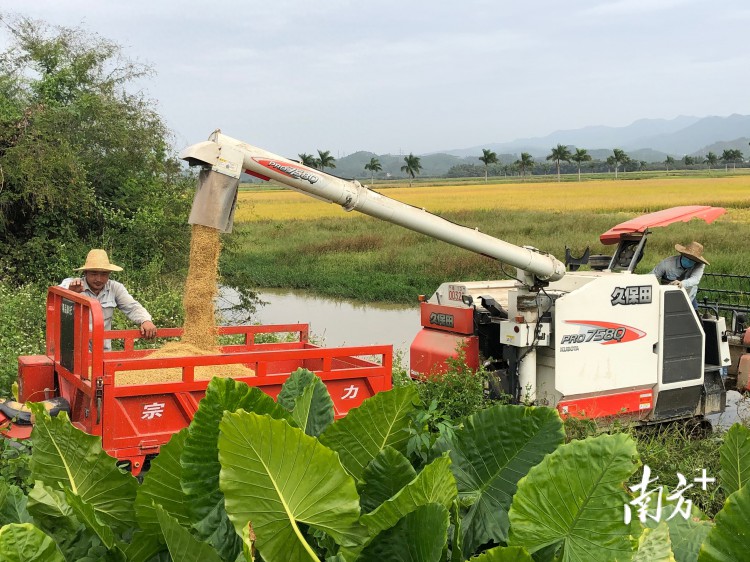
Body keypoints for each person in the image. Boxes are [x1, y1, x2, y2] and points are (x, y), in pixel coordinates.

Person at [60, 249, 157, 349]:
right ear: (85, 273)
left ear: (109, 274)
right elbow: (57, 297)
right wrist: (71, 293)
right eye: (94, 274)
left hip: (102, 352)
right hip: (75, 352)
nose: (99, 279)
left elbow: (132, 307)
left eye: (104, 274)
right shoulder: (74, 285)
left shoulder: (115, 288)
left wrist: (145, 320)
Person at [650, 241, 708, 309]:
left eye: (693, 260)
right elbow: (651, 277)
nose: (689, 261)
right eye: (688, 257)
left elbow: (695, 279)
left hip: (688, 295)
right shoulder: (667, 263)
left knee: (693, 315)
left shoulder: (699, 265)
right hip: (667, 296)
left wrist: (682, 283)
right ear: (682, 255)